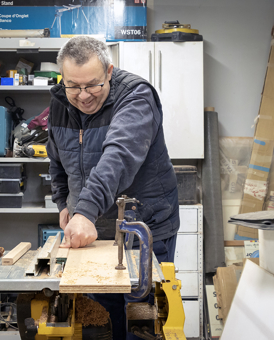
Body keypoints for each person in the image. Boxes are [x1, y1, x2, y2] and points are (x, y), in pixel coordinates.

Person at [47, 36, 180, 339]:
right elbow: (56, 162)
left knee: (140, 321)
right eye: (73, 86)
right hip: (97, 231)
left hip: (144, 229)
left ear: (109, 71)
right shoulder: (59, 103)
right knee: (101, 322)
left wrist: (85, 212)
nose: (82, 96)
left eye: (92, 84)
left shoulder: (135, 97)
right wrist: (65, 205)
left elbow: (117, 158)